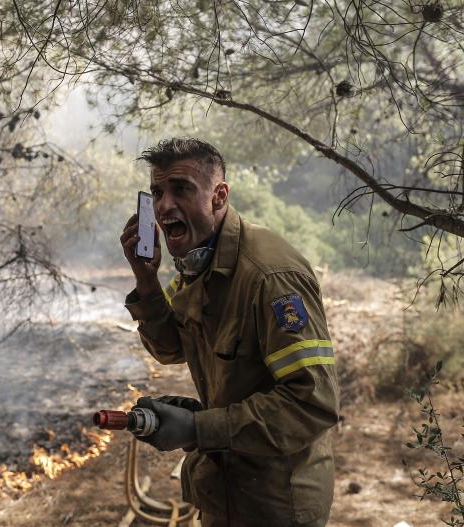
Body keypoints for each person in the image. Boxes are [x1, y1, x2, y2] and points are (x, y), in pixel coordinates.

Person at [119, 138, 340, 527]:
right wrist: (147, 280)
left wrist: (199, 427)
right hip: (226, 491)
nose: (164, 205)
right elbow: (171, 348)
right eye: (157, 192)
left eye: (181, 189)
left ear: (219, 195)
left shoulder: (270, 275)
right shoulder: (200, 263)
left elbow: (312, 405)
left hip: (275, 505)